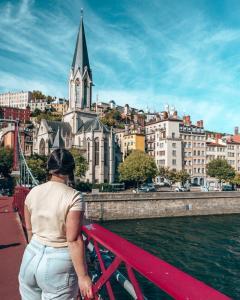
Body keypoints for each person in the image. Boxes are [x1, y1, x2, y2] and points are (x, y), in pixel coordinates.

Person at [18, 148, 93, 299]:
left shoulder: (33, 192)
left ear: (49, 168)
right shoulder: (74, 197)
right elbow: (73, 240)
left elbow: (30, 229)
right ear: (71, 169)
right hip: (57, 265)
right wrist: (83, 276)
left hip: (30, 256)